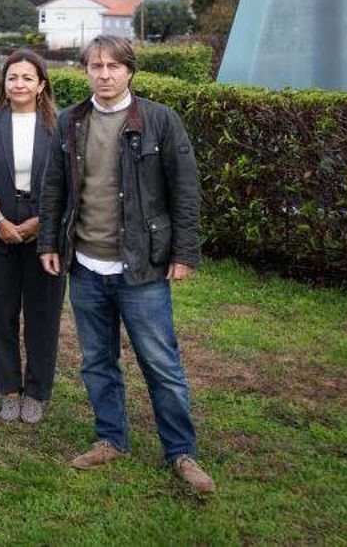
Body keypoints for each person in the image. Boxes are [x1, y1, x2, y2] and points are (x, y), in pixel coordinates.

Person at [37, 35, 216, 495]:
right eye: (96, 66)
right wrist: (49, 243)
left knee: (161, 363)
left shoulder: (159, 121)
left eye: (114, 66)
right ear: (86, 71)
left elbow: (186, 190)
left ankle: (181, 451)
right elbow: (54, 187)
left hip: (141, 268)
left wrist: (184, 252)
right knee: (98, 360)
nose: (105, 74)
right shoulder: (71, 121)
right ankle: (111, 438)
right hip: (86, 266)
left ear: (130, 70)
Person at [0, 49, 63, 424]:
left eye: (27, 78)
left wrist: (41, 222)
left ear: (41, 85)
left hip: (46, 234)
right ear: (4, 84)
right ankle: (9, 390)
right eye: (12, 78)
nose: (19, 84)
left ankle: (36, 392)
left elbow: (68, 181)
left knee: (43, 316)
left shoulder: (59, 125)